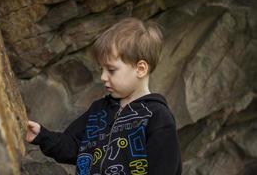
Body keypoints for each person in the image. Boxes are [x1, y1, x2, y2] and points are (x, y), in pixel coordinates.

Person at [26, 17, 182, 175]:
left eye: (111, 70)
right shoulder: (100, 110)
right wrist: (41, 135)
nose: (102, 77)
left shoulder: (158, 117)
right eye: (101, 69)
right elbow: (73, 146)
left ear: (140, 69)